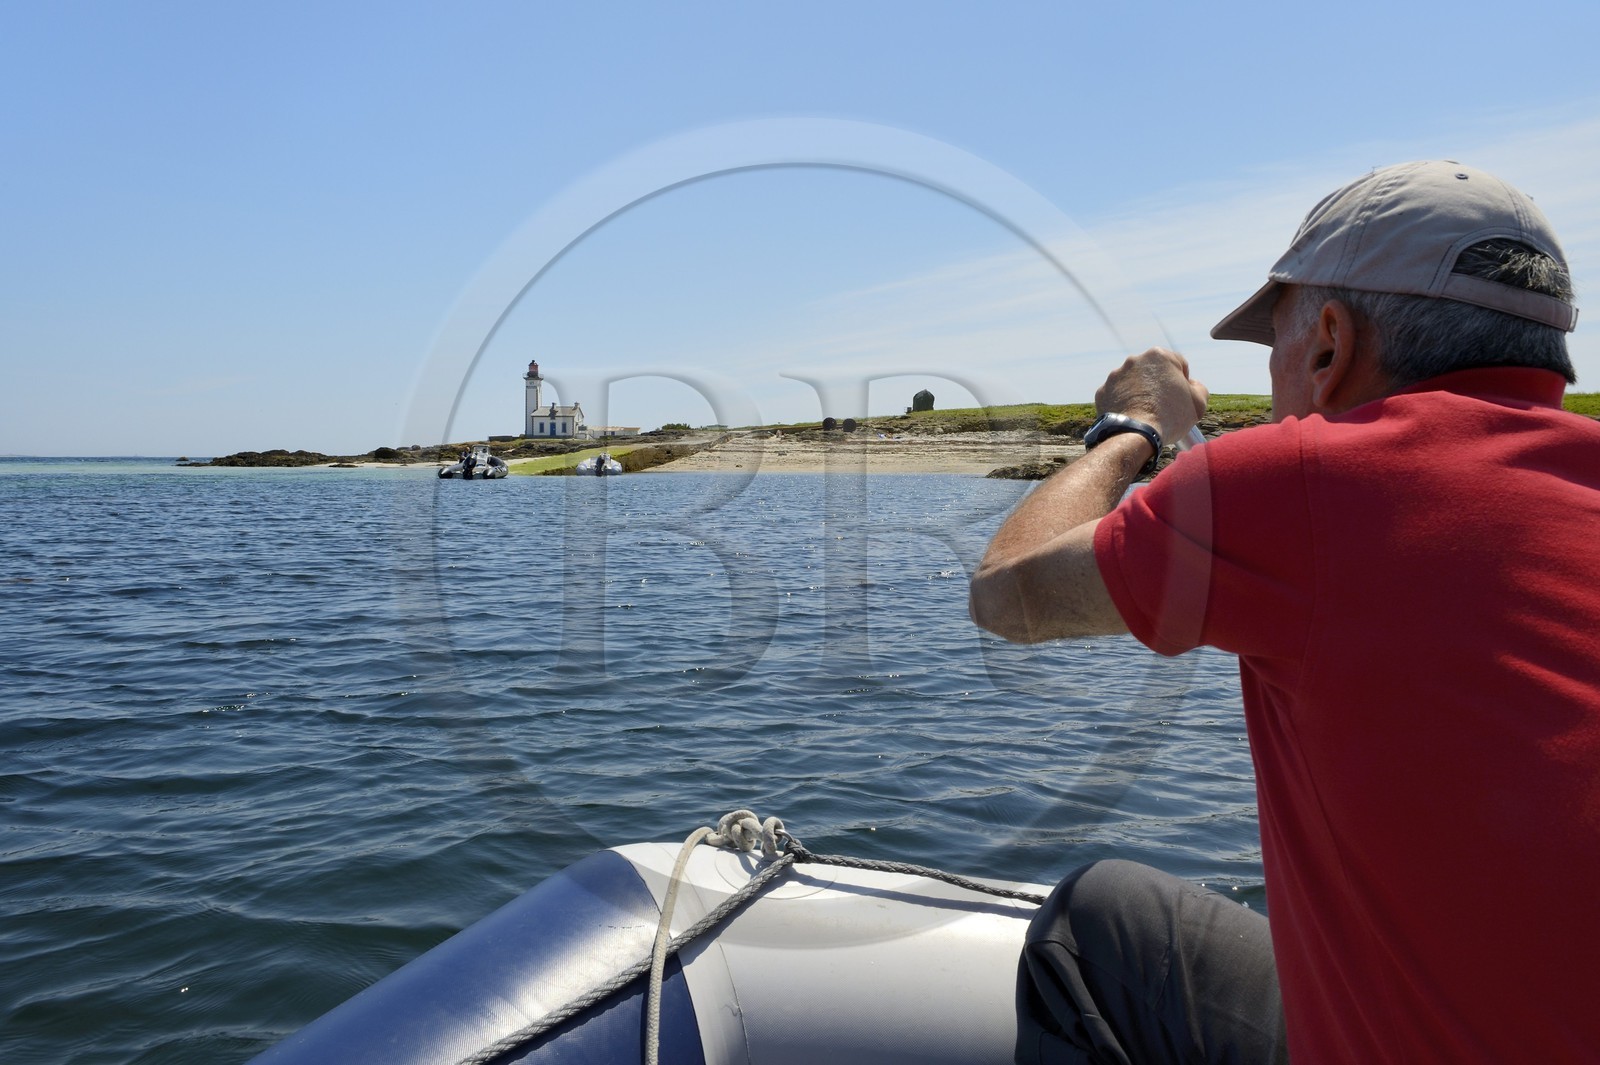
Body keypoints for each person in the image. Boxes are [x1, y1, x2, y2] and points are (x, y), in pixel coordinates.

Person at [969, 160, 1600, 1064]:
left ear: (1330, 344)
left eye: (1276, 340)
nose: (1269, 379)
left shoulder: (1302, 485)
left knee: (1097, 925)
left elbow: (1008, 589)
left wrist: (1137, 425)